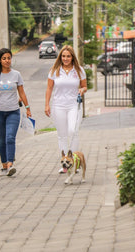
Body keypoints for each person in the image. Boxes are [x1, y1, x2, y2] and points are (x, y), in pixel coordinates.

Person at [0, 48, 31, 177]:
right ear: (0, 60)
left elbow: (21, 92)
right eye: (4, 58)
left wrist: (28, 108)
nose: (7, 61)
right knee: (1, 140)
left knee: (10, 138)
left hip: (13, 112)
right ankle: (4, 165)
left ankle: (11, 164)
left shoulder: (16, 74)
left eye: (9, 58)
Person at [45, 45, 87, 173]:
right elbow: (49, 88)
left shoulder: (79, 70)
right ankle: (64, 164)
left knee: (73, 131)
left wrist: (82, 90)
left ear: (72, 57)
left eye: (68, 56)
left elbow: (85, 86)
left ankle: (75, 163)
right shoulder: (54, 70)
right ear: (60, 57)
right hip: (58, 106)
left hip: (74, 105)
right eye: (63, 56)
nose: (66, 58)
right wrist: (47, 104)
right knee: (62, 135)